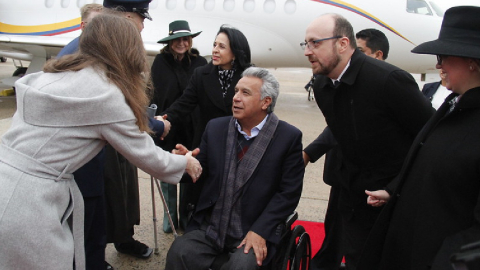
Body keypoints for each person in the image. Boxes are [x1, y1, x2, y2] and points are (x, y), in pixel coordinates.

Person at [0, 13, 202, 270]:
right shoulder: (104, 92)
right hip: (31, 204)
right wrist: (185, 162)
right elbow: (146, 155)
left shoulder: (56, 74)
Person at [302, 13, 434, 269]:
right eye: (305, 44)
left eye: (315, 43)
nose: (307, 51)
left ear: (342, 44)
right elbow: (342, 132)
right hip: (354, 200)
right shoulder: (321, 85)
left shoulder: (388, 80)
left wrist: (394, 187)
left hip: (398, 204)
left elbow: (430, 137)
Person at [358, 6, 480, 270]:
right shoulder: (452, 106)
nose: (438, 65)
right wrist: (395, 190)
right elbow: (435, 166)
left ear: (472, 60)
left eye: (443, 56)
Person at [165, 67, 304, 270]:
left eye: (245, 93)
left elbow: (288, 193)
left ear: (266, 102)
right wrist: (184, 163)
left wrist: (261, 230)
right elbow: (199, 171)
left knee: (242, 265)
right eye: (236, 91)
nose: (236, 98)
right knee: (180, 252)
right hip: (212, 226)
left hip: (254, 227)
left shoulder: (288, 138)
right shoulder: (216, 128)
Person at [306, 27, 391, 270]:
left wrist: (309, 152)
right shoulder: (337, 82)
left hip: (372, 182)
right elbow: (336, 127)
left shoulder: (387, 86)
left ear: (377, 56)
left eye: (361, 51)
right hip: (343, 175)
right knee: (334, 230)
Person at [162, 24, 252, 217]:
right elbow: (183, 104)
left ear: (235, 52)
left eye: (221, 46)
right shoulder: (201, 74)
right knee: (201, 201)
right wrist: (164, 119)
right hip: (206, 145)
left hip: (239, 146)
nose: (215, 50)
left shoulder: (250, 76)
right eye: (214, 45)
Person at [100, 0, 162, 259]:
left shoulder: (120, 47)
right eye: (141, 19)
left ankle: (124, 239)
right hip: (103, 144)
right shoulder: (99, 50)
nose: (143, 26)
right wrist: (156, 125)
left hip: (122, 139)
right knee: (106, 197)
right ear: (126, 17)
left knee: (124, 190)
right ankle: (94, 255)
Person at [151, 20, 207, 233]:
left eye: (185, 39)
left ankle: (185, 216)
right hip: (168, 124)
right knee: (167, 169)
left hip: (193, 126)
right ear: (170, 41)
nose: (181, 43)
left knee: (188, 169)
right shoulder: (160, 62)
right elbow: (154, 92)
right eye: (177, 39)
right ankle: (170, 218)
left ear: (190, 40)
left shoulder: (200, 62)